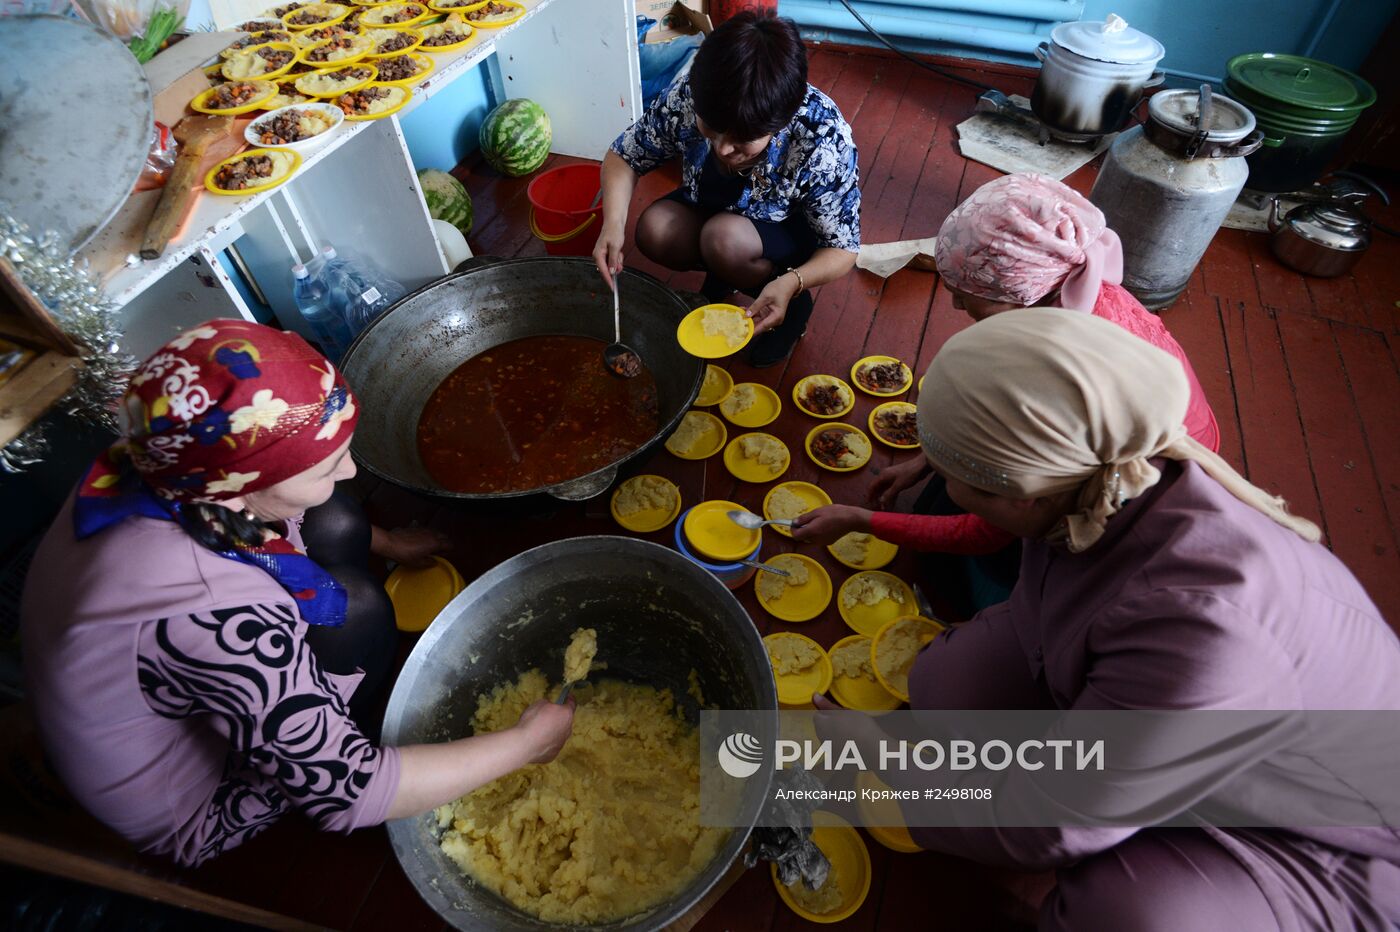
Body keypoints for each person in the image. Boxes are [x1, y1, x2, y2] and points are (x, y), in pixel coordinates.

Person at [814, 308, 1400, 930]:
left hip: (1307, 833)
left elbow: (1048, 825)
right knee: (944, 685)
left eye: (950, 471)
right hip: (1172, 724)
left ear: (1019, 494)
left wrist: (888, 762)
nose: (935, 480)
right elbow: (1042, 612)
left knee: (1128, 912)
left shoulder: (1207, 628)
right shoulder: (1095, 475)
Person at [20, 320, 575, 867]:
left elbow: (286, 507)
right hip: (203, 796)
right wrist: (526, 745)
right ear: (243, 486)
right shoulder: (210, 613)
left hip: (179, 664)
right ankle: (350, 709)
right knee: (360, 610)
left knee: (333, 514)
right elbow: (348, 794)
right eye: (331, 463)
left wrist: (382, 543)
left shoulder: (172, 451)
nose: (352, 466)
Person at [792, 173, 1219, 617]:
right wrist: (928, 460)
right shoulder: (1071, 286)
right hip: (1083, 450)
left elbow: (986, 531)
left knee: (1001, 566)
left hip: (1140, 490)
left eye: (966, 295)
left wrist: (864, 522)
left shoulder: (1057, 391)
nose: (956, 306)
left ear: (1021, 295)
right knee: (953, 484)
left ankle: (972, 609)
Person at [594, 12, 861, 367]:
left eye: (741, 142)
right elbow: (624, 155)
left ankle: (791, 306)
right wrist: (612, 224)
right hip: (710, 203)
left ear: (779, 124)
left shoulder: (822, 137)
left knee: (724, 238)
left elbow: (843, 249)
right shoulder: (696, 92)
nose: (721, 149)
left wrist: (794, 282)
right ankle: (722, 275)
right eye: (712, 130)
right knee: (655, 229)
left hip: (782, 231)